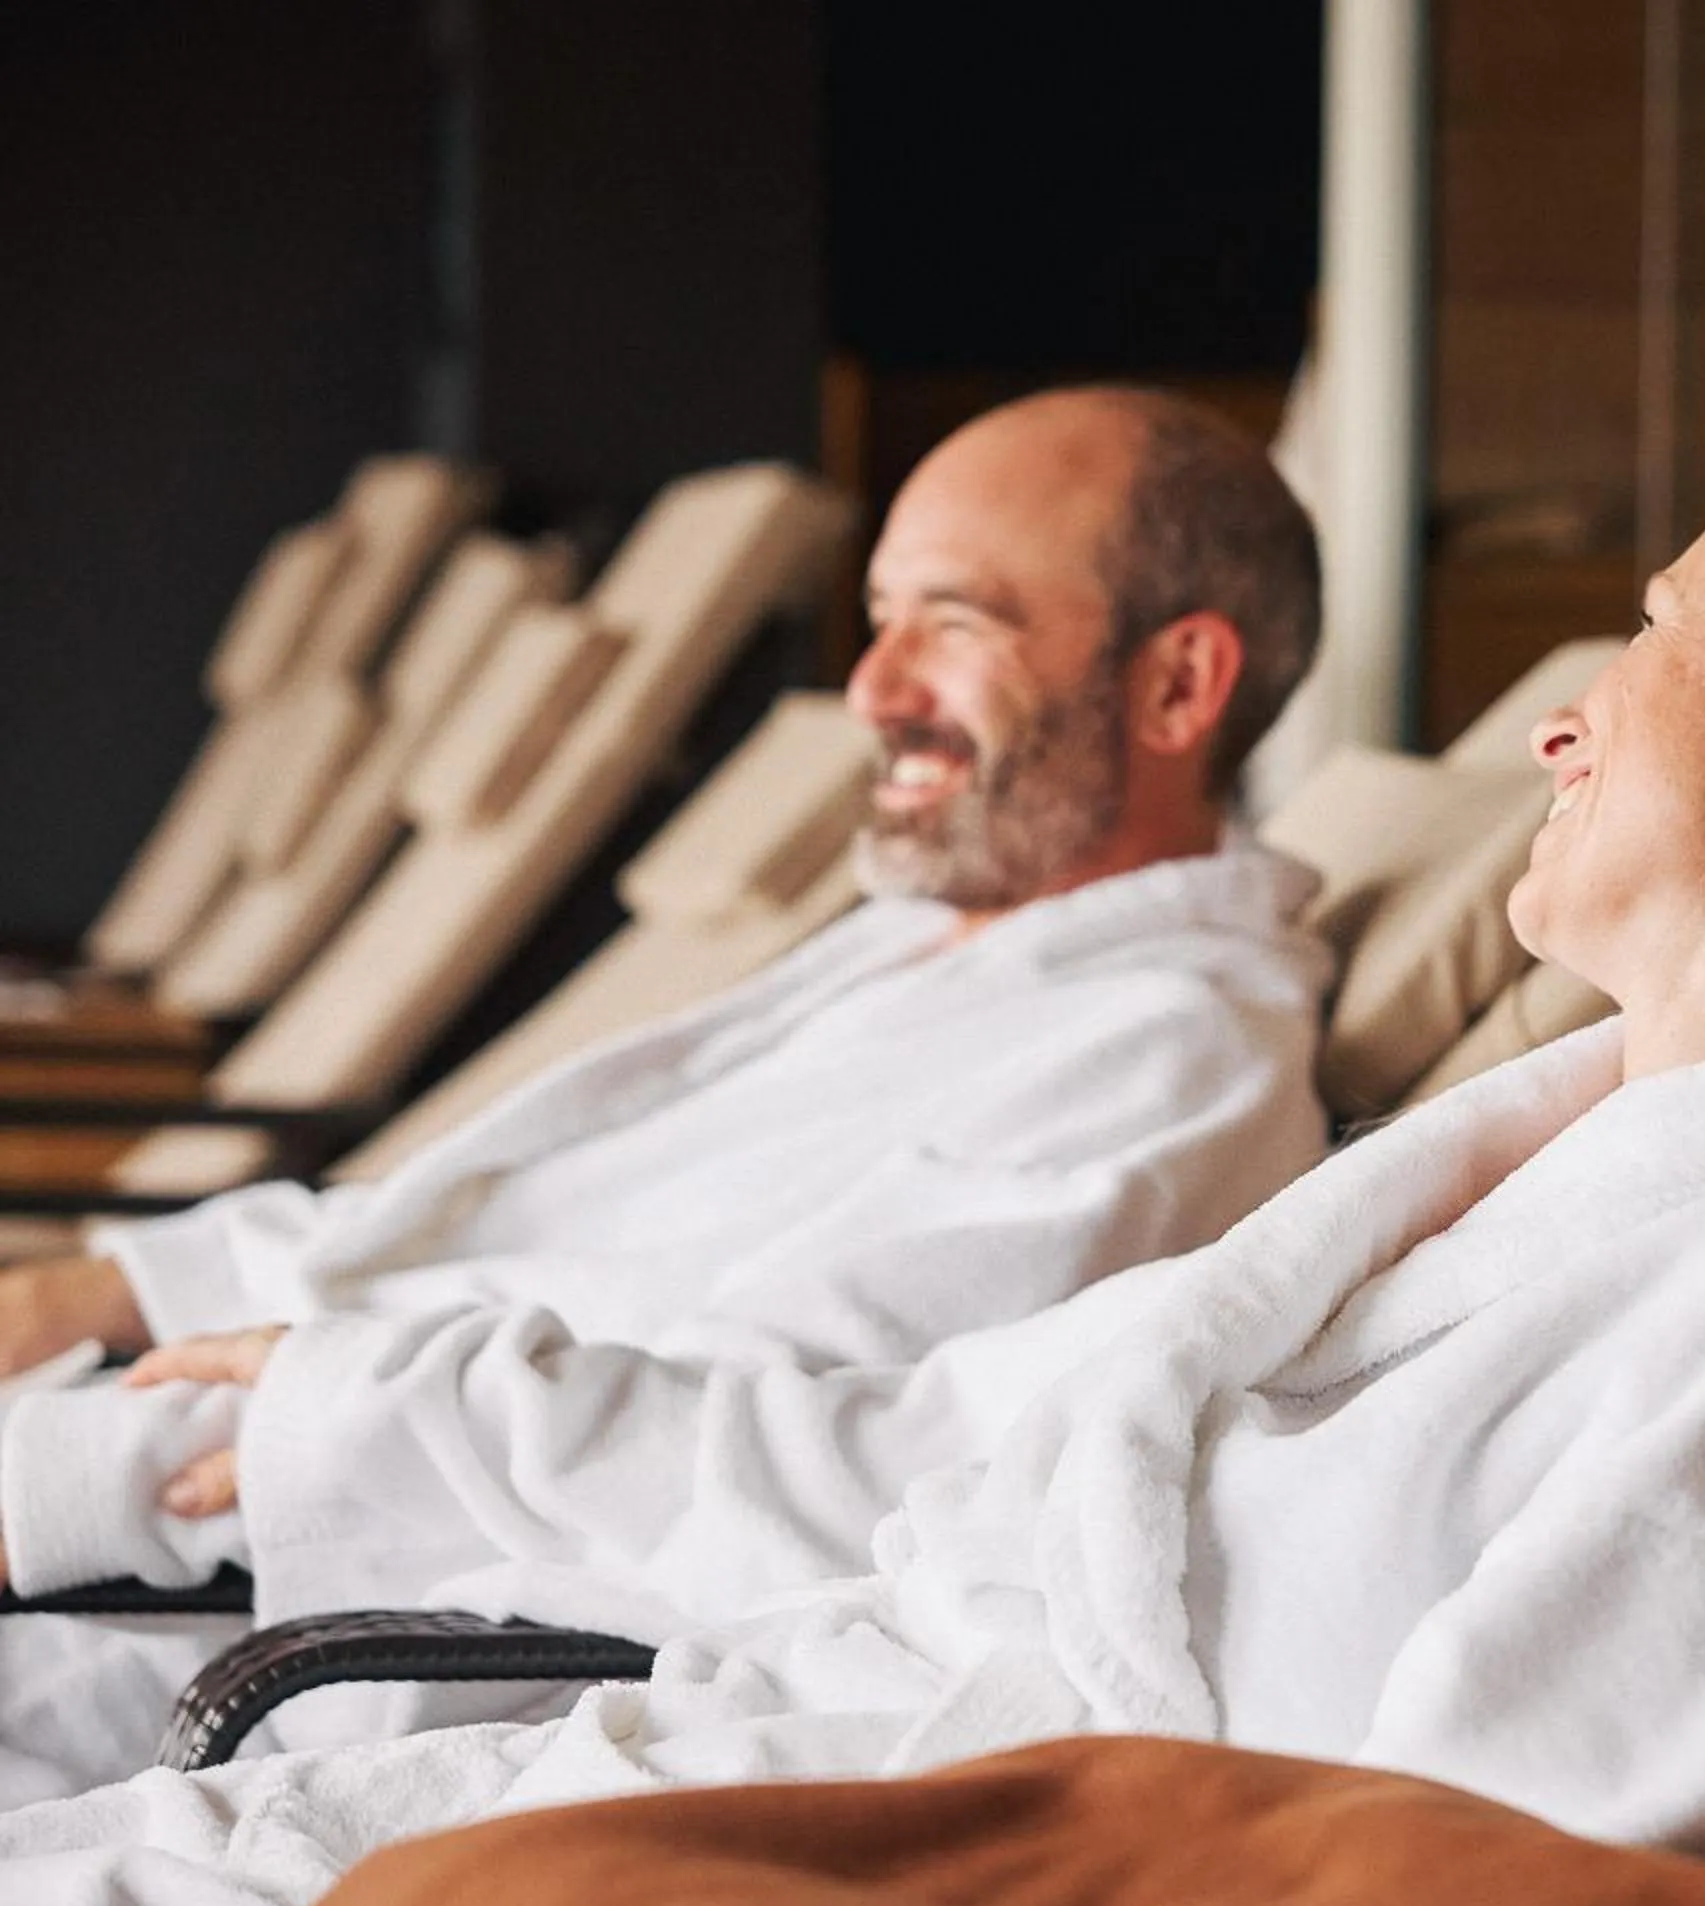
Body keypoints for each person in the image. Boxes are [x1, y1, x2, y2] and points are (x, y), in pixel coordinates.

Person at [0, 442, 1705, 1906]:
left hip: (788, 1873)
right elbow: (961, 1457)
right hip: (717, 1772)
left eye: (1649, 632)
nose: (1560, 714)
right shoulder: (1513, 1193)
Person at [0, 386, 1338, 1804]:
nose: (874, 689)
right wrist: (107, 1287)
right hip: (207, 1465)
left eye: (953, 623)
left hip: (301, 1612)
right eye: (879, 618)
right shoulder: (934, 942)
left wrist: (90, 1470)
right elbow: (501, 1224)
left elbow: (716, 1443)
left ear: (1179, 686)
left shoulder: (1162, 1059)